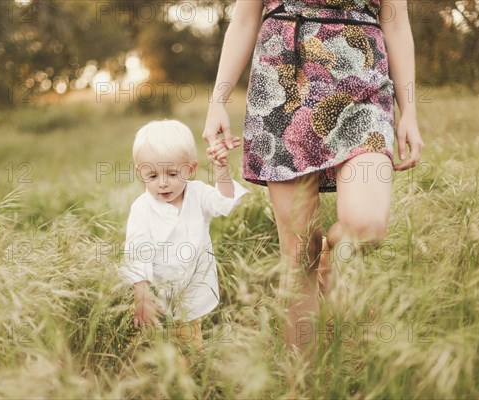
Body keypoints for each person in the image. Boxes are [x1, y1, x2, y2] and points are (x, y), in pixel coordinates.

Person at [203, 0, 424, 353]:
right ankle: (305, 381)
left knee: (366, 226)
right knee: (297, 253)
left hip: (363, 84)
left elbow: (396, 25)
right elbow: (244, 20)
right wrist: (218, 101)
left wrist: (409, 110)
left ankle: (328, 255)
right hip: (282, 83)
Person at [120, 120, 249, 347]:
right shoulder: (142, 208)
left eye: (171, 174)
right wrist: (141, 296)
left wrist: (220, 168)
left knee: (188, 350)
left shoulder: (197, 195)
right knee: (151, 350)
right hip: (155, 301)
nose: (162, 183)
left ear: (190, 170)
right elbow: (136, 252)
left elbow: (226, 202)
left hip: (191, 298)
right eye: (152, 176)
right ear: (140, 172)